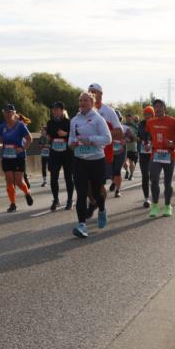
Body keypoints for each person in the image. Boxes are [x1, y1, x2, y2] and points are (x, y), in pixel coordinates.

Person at [69, 92, 112, 237]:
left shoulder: (98, 119)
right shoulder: (74, 120)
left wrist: (91, 140)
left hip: (96, 160)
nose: (82, 103)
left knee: (96, 192)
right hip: (79, 160)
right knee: (81, 194)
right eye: (80, 100)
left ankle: (102, 210)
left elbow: (108, 139)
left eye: (85, 100)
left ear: (92, 103)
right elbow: (71, 139)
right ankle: (82, 225)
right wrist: (72, 144)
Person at [144, 100, 175, 217]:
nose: (157, 109)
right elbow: (147, 134)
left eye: (159, 106)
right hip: (156, 154)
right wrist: (147, 143)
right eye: (155, 107)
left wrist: (173, 142)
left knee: (167, 183)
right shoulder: (151, 122)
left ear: (164, 108)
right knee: (154, 179)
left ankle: (167, 206)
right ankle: (155, 206)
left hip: (169, 154)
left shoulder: (172, 121)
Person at [87, 84, 123, 210]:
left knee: (99, 185)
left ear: (101, 94)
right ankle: (93, 203)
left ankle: (101, 209)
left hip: (103, 154)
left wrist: (102, 134)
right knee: (87, 184)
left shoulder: (108, 111)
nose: (91, 93)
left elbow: (119, 132)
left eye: (94, 91)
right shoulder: (83, 111)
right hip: (86, 154)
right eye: (89, 91)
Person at [0, 105, 33, 211]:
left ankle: (27, 192)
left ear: (14, 113)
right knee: (9, 180)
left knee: (18, 181)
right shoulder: (2, 126)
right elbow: (1, 140)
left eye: (10, 112)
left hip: (18, 157)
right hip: (6, 156)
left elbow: (29, 139)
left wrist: (22, 148)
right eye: (5, 112)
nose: (7, 114)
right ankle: (13, 204)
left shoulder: (20, 126)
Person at [46, 102, 74, 211]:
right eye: (53, 110)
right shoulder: (50, 123)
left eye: (57, 109)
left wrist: (66, 134)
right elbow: (49, 135)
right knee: (53, 178)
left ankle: (69, 200)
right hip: (55, 153)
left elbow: (75, 135)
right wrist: (49, 137)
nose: (55, 111)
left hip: (67, 153)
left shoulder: (69, 122)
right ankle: (56, 199)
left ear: (62, 111)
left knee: (68, 177)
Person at [137, 105, 155, 206]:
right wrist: (141, 141)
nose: (147, 116)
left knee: (153, 177)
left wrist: (151, 142)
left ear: (153, 114)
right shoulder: (141, 124)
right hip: (143, 153)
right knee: (145, 176)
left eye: (149, 114)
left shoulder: (156, 123)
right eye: (146, 114)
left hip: (154, 152)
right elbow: (138, 136)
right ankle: (146, 198)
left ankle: (154, 196)